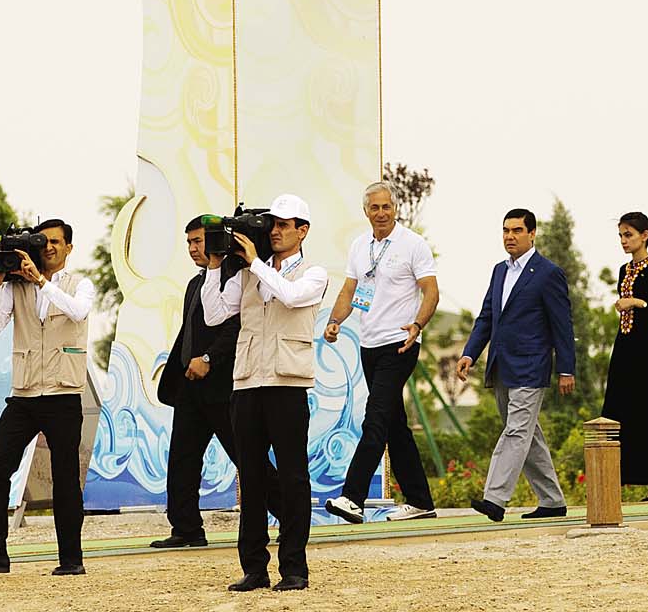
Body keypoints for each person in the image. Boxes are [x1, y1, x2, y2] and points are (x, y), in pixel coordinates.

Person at [201, 193, 328, 593]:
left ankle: (294, 568)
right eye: (271, 223)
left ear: (302, 230)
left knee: (292, 477)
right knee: (251, 478)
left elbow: (290, 297)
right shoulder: (249, 271)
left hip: (287, 383)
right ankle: (254, 568)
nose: (274, 230)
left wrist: (254, 262)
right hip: (247, 382)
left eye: (284, 224)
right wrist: (215, 266)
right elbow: (216, 314)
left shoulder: (315, 272)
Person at [0, 219, 96, 577]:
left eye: (55, 242)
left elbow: (77, 312)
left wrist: (40, 281)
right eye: (42, 241)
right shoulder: (16, 283)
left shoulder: (80, 284)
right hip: (25, 392)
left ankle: (71, 560)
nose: (48, 247)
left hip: (64, 392)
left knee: (65, 477)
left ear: (68, 248)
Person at [323, 183, 440, 524]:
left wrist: (418, 324)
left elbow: (431, 292)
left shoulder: (412, 244)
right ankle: (420, 500)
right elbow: (350, 291)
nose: (381, 213)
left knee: (374, 418)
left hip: (400, 343)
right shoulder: (360, 247)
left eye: (386, 206)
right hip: (369, 346)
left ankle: (352, 497)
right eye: (375, 208)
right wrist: (334, 322)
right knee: (394, 426)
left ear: (395, 208)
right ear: (366, 212)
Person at [455, 208, 576, 523]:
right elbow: (487, 317)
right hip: (501, 366)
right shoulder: (499, 271)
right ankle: (552, 500)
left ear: (532, 233)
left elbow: (562, 325)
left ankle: (495, 498)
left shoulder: (548, 273)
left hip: (531, 367)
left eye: (517, 230)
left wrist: (566, 369)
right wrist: (470, 353)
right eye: (506, 230)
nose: (510, 236)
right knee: (527, 434)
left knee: (516, 432)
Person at [151, 215, 241, 548]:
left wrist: (208, 359)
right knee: (182, 458)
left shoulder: (236, 277)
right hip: (190, 386)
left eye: (199, 241)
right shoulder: (195, 283)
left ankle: (289, 515)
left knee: (245, 456)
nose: (192, 248)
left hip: (223, 385)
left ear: (217, 241)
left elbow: (235, 328)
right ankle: (186, 528)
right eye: (189, 242)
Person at [600, 212, 648, 500]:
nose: (623, 240)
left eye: (628, 234)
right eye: (621, 235)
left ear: (645, 235)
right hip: (625, 344)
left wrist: (637, 301)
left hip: (647, 347)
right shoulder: (624, 269)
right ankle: (616, 476)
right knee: (616, 408)